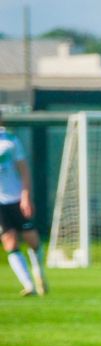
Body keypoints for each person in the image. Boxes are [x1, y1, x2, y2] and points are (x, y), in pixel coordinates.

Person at [0, 111, 48, 297]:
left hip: (16, 199)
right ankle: (29, 285)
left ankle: (39, 274)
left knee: (32, 240)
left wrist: (26, 195)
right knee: (9, 241)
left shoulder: (10, 141)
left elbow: (24, 170)